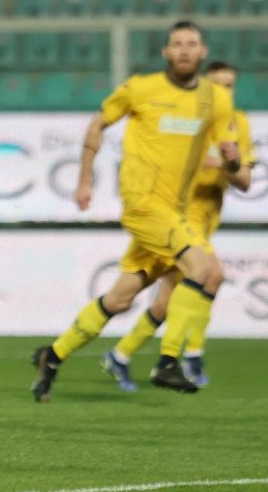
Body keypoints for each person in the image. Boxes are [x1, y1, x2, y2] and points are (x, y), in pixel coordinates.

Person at [31, 21, 240, 403]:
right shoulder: (141, 89)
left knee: (120, 299)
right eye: (176, 44)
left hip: (173, 213)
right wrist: (84, 180)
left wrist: (233, 159)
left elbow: (235, 164)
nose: (183, 50)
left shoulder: (216, 100)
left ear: (202, 52)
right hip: (143, 204)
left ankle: (53, 355)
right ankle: (167, 361)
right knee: (204, 269)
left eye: (191, 44)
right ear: (165, 52)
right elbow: (98, 124)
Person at [99, 60, 256, 391]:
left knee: (167, 298)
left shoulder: (238, 124)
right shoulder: (186, 119)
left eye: (229, 86)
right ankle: (183, 356)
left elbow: (244, 180)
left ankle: (122, 354)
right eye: (217, 85)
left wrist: (228, 164)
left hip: (206, 220)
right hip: (177, 217)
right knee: (209, 277)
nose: (223, 92)